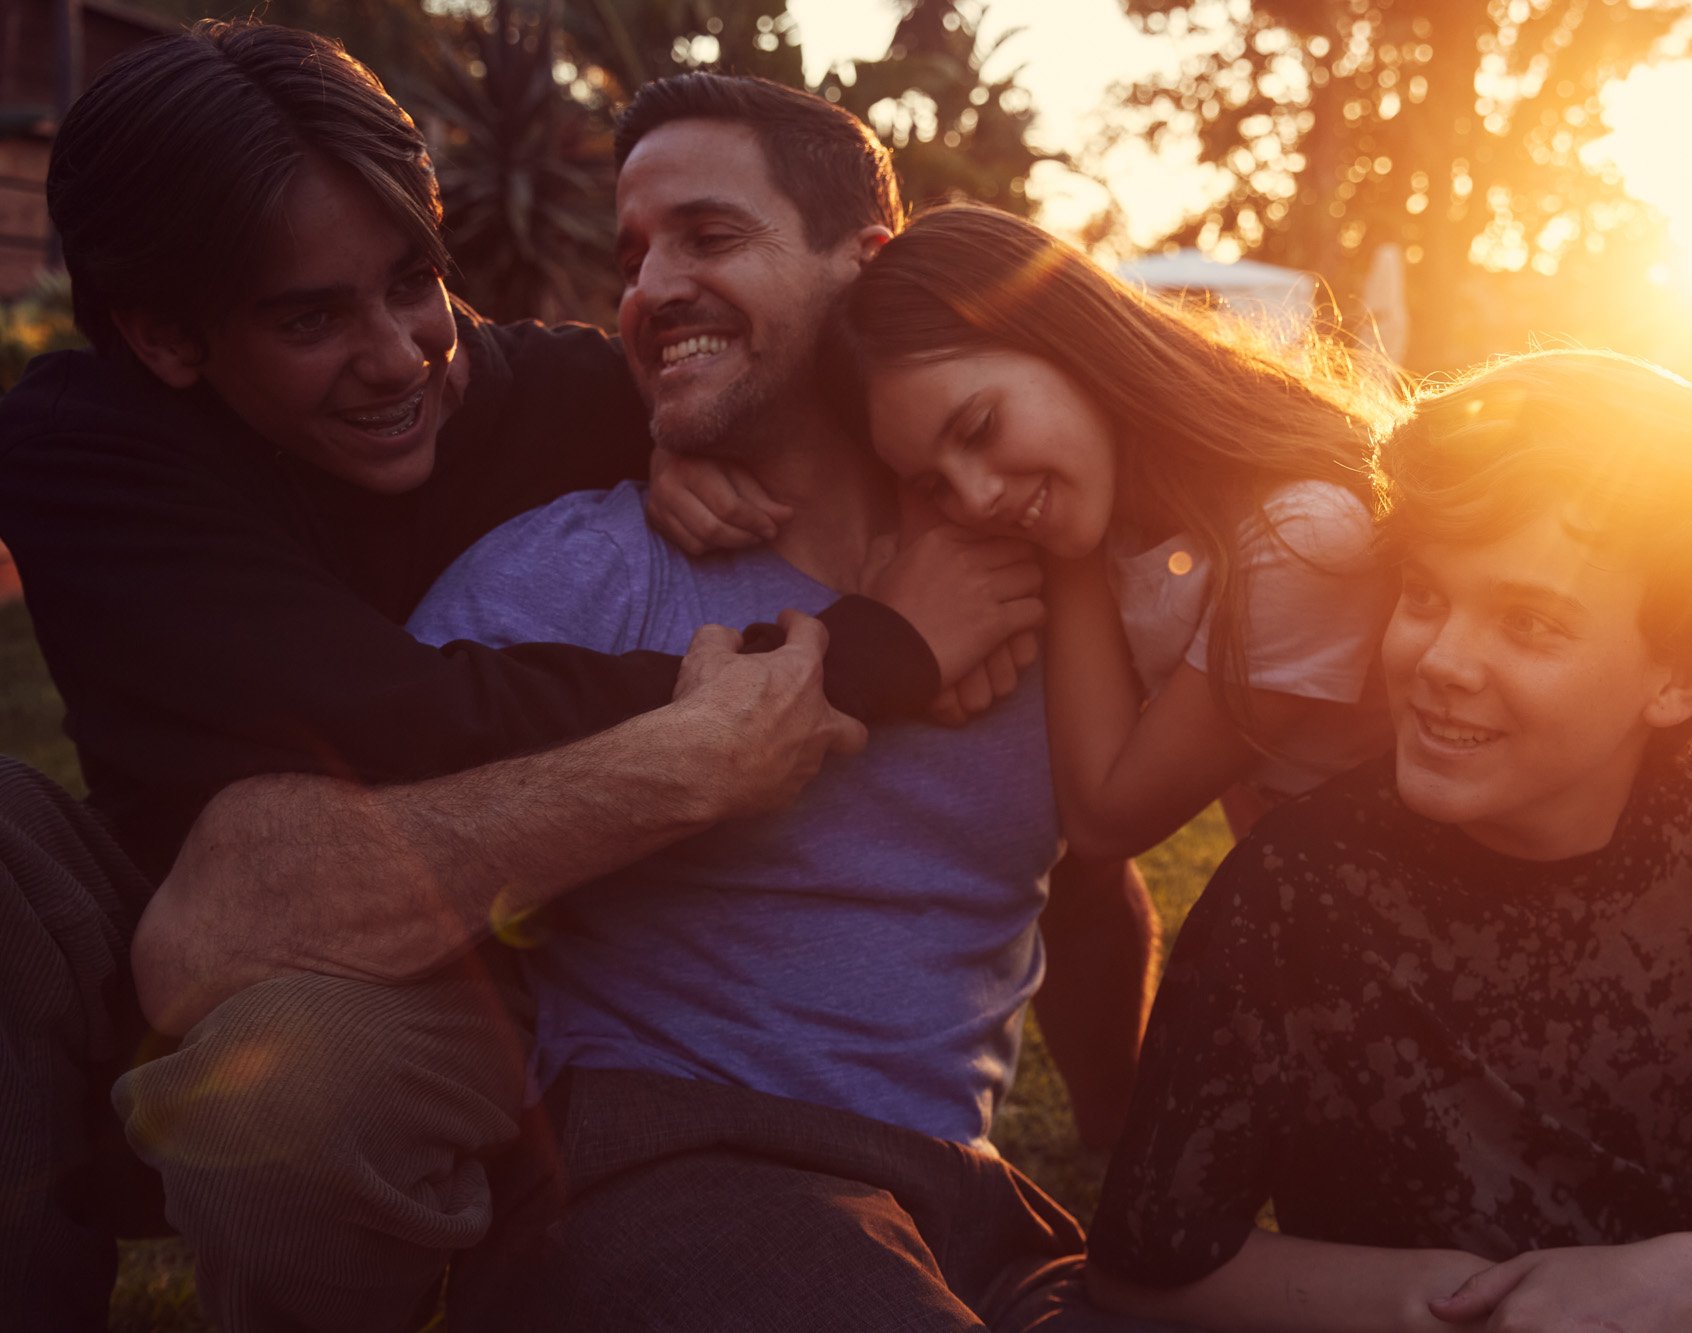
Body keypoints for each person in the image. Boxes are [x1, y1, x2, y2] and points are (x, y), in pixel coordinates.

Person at [0, 22, 1025, 1331]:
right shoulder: (85, 451)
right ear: (164, 338)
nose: (400, 354)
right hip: (190, 891)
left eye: (412, 279)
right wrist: (871, 653)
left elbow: (727, 377)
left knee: (300, 1079)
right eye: (311, 316)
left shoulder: (533, 388)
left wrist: (675, 432)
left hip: (477, 942)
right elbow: (394, 715)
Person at [401, 72, 1155, 1331]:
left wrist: (1132, 1160)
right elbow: (368, 837)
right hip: (670, 1163)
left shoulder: (1038, 555)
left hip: (960, 1199)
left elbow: (1090, 875)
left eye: (709, 236)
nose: (649, 290)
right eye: (635, 256)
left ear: (864, 267)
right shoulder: (574, 571)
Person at [1084, 350, 1692, 1332]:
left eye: (1527, 621)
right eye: (1425, 594)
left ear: (1679, 674)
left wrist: (1690, 1286)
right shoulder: (1300, 888)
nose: (1437, 660)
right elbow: (1136, 1264)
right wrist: (1437, 1301)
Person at [662, 202, 1400, 854]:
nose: (977, 499)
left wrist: (1061, 551)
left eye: (981, 426)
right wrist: (672, 452)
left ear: (1068, 339)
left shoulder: (1302, 532)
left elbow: (1107, 815)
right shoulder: (1127, 512)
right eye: (933, 485)